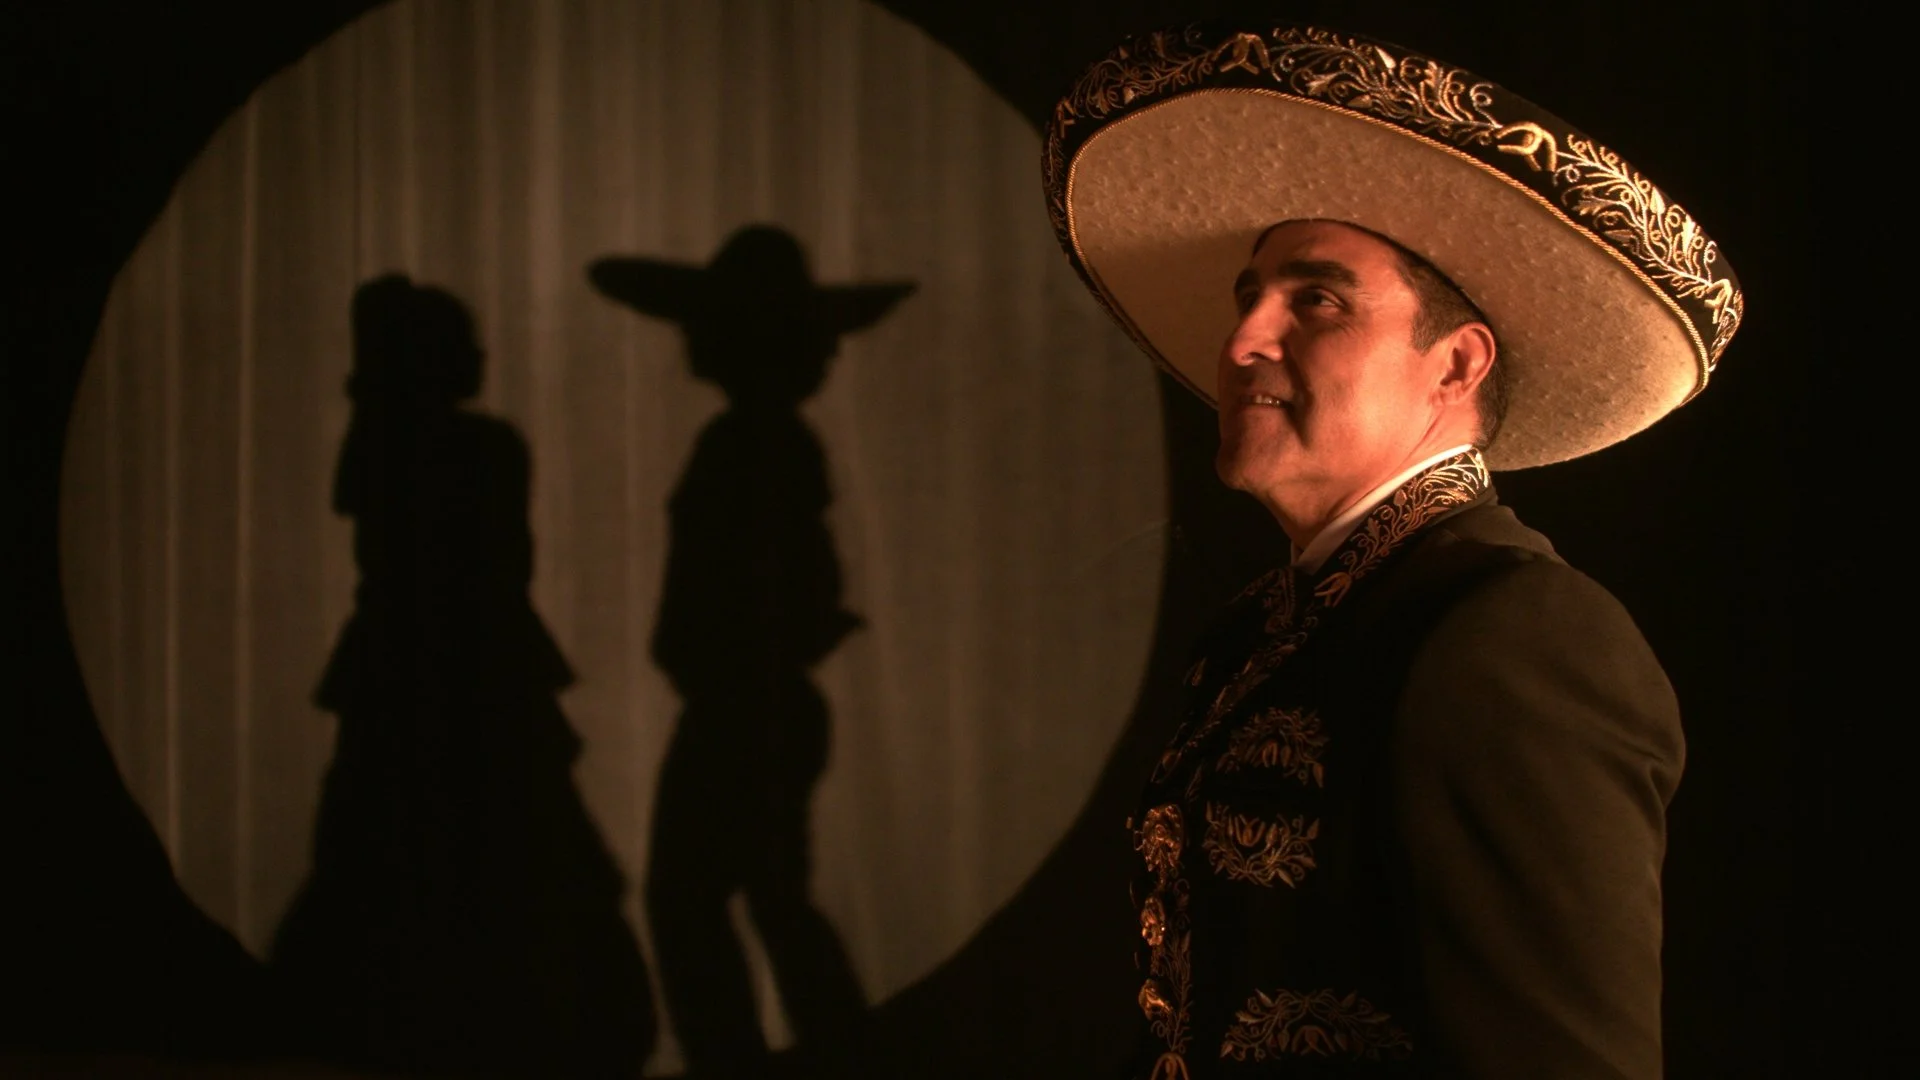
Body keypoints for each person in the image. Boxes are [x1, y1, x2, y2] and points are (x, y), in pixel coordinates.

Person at [1042, 23, 1744, 1079]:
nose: (1242, 341)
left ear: (1455, 364)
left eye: (1316, 300)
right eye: (1248, 298)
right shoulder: (1256, 632)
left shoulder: (1518, 635)